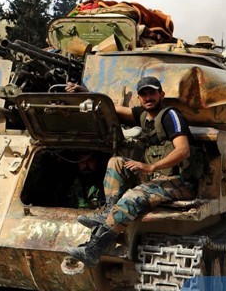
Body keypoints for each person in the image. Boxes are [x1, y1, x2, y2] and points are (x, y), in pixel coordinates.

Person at [66, 75, 203, 267]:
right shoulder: (143, 115)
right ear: (139, 98)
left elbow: (183, 150)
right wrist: (86, 93)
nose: (148, 97)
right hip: (157, 177)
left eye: (152, 93)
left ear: (161, 94)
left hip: (180, 182)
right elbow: (110, 107)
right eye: (144, 94)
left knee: (133, 196)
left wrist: (150, 167)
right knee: (116, 162)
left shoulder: (171, 116)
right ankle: (109, 212)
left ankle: (93, 249)